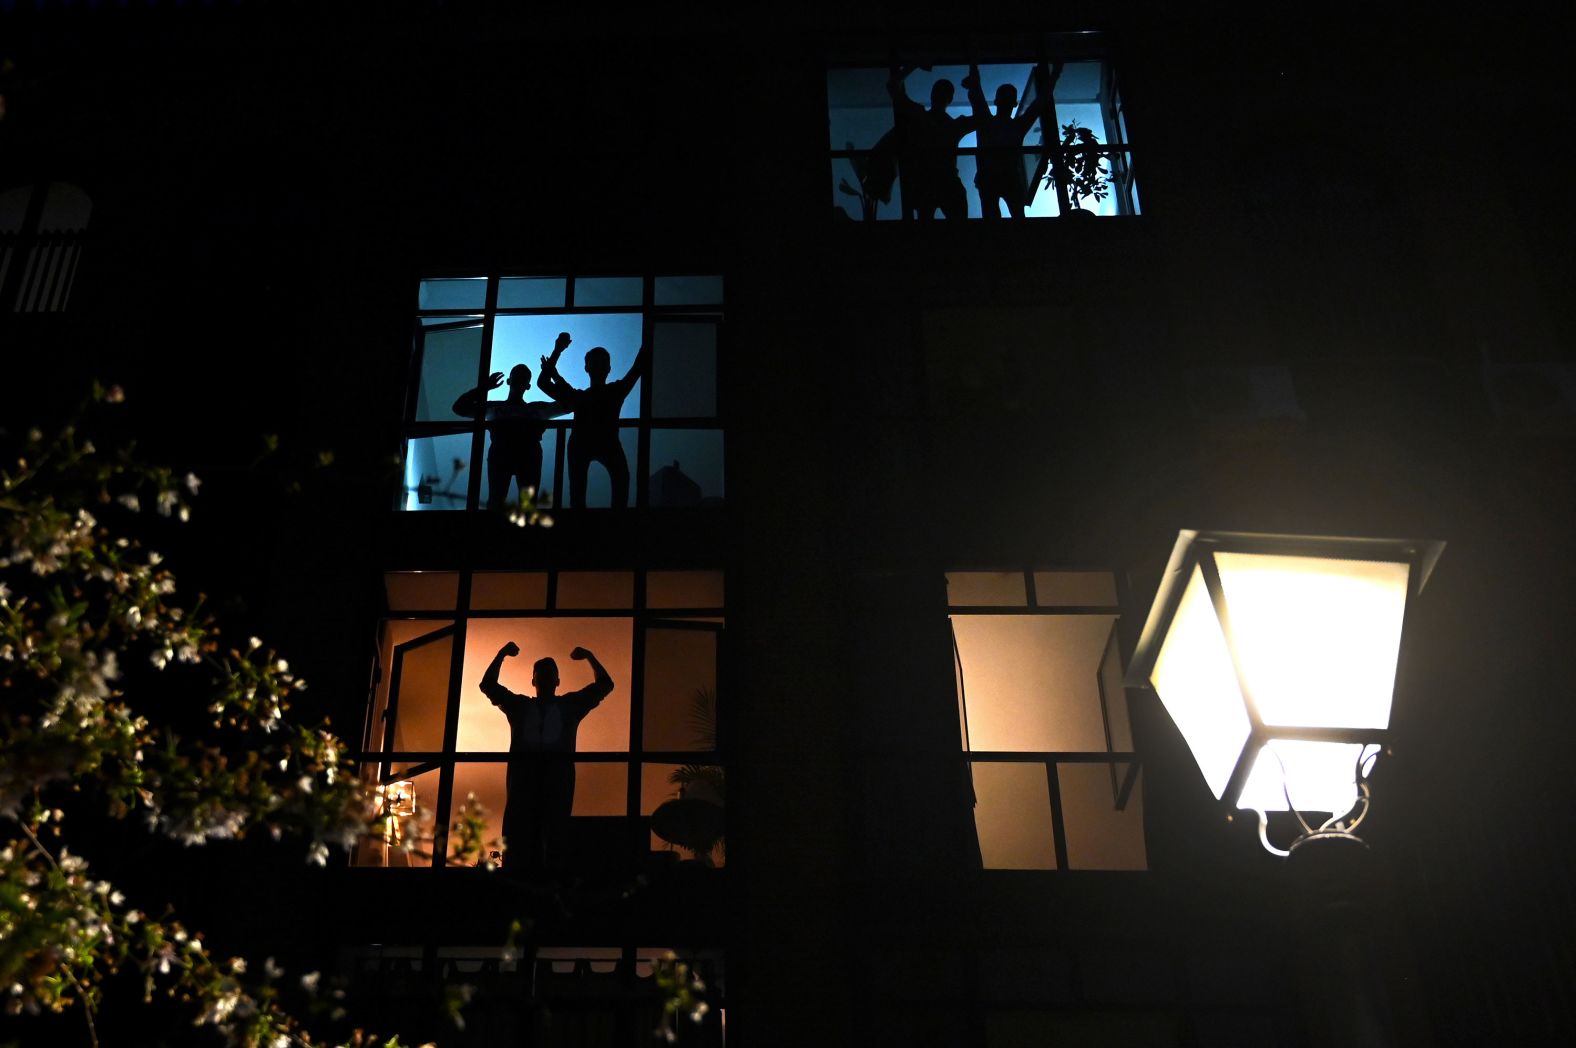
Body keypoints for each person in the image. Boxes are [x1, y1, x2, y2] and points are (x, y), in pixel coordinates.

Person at [480, 641, 613, 872]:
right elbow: (488, 685)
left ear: (556, 681)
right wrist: (501, 653)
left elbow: (605, 684)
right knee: (530, 839)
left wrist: (590, 655)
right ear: (534, 680)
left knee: (549, 839)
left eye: (549, 673)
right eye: (542, 673)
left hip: (545, 783)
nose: (545, 677)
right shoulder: (548, 706)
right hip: (535, 784)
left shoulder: (548, 706)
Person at [451, 331, 572, 509]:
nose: (520, 379)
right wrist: (483, 387)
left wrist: (556, 355)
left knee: (514, 504)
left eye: (523, 377)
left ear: (525, 384)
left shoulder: (526, 409)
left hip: (516, 456)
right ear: (510, 381)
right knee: (504, 502)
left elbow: (570, 403)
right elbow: (459, 408)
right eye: (518, 375)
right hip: (511, 455)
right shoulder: (529, 409)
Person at [537, 336, 649, 509]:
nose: (598, 366)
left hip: (582, 444)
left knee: (578, 494)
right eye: (597, 362)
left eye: (599, 362)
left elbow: (544, 383)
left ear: (586, 368)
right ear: (608, 369)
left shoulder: (580, 397)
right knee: (620, 481)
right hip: (607, 443)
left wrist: (557, 351)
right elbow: (637, 368)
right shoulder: (614, 392)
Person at [886, 64, 974, 220]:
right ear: (950, 99)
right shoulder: (952, 125)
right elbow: (982, 120)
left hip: (928, 183)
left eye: (940, 92)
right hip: (941, 183)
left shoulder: (922, 117)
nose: (938, 95)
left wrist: (913, 65)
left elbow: (893, 86)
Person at [961, 64, 1048, 219]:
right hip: (1006, 177)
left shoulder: (988, 123)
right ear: (1014, 104)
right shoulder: (1016, 125)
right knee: (1015, 217)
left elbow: (977, 94)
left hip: (993, 178)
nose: (1006, 101)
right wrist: (1054, 76)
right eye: (1005, 98)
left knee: (995, 217)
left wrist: (973, 65)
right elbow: (1038, 104)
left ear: (996, 101)